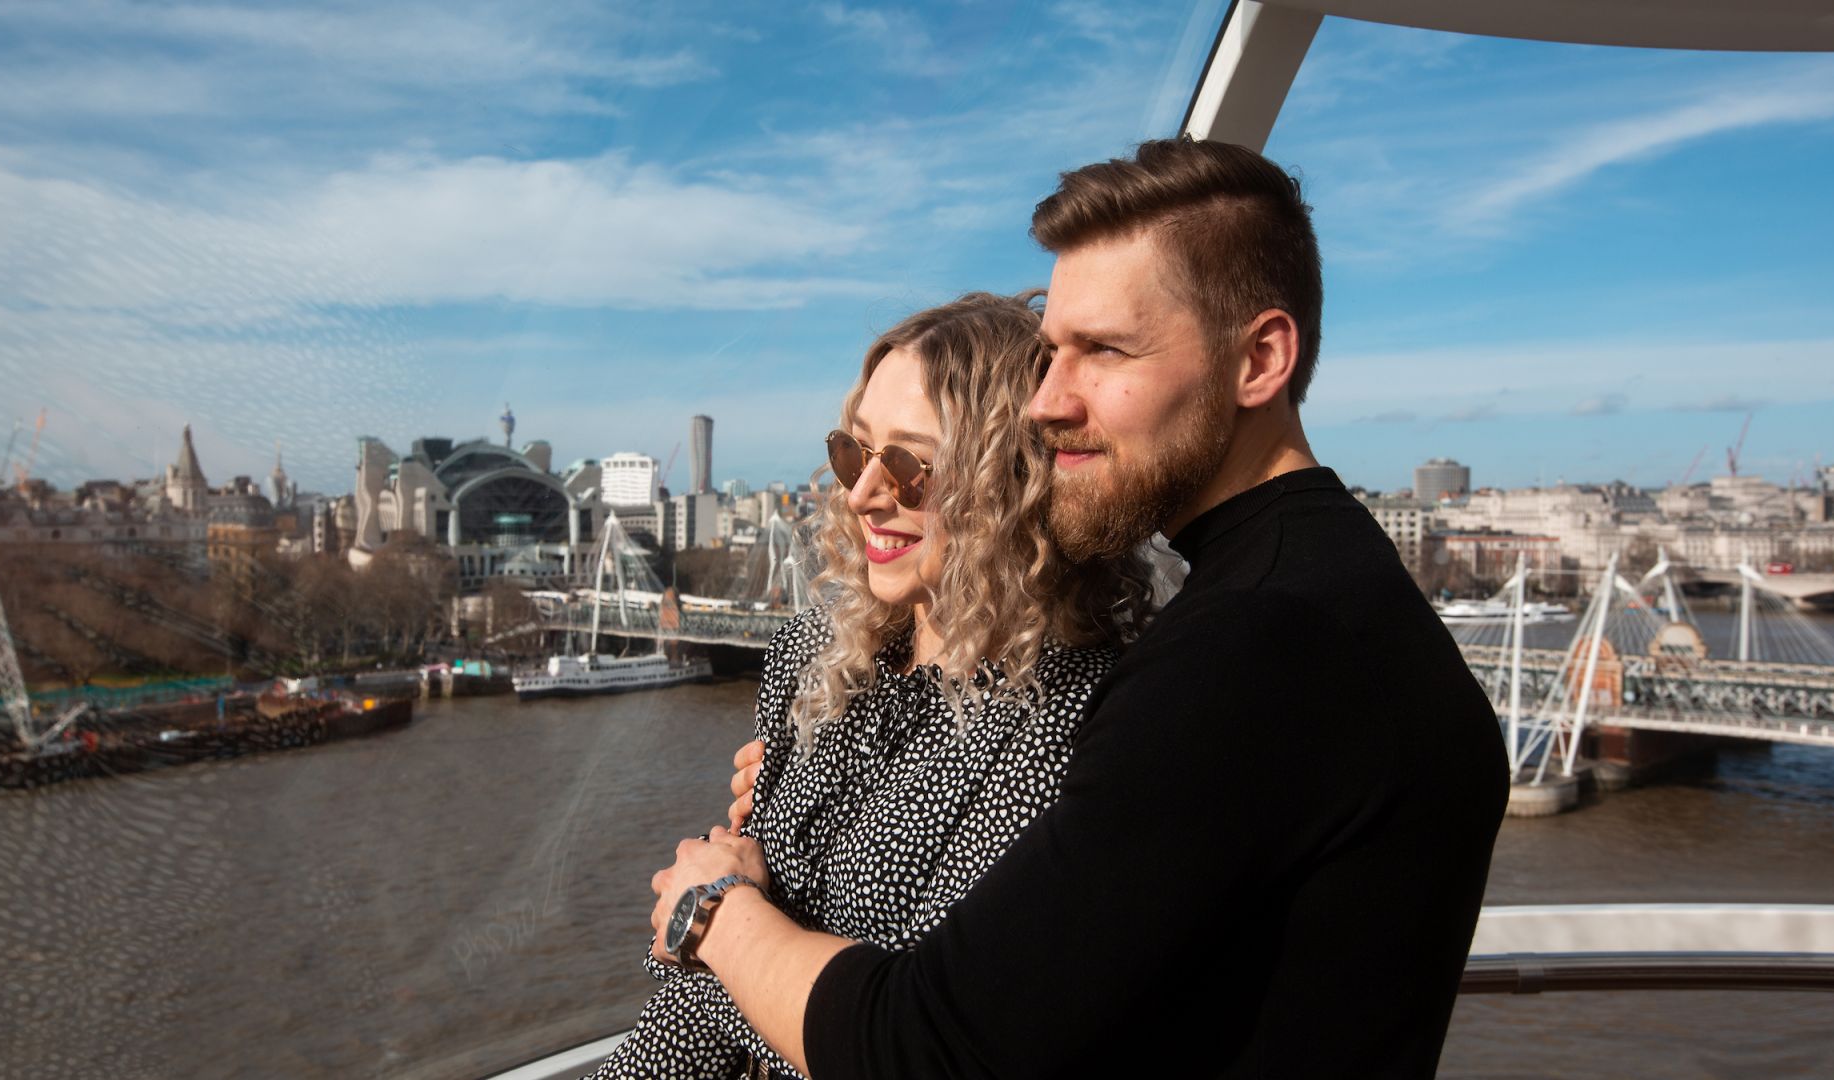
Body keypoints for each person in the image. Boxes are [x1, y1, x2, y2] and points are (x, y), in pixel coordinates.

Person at [649, 137, 1509, 1077]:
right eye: (1054, 351)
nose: (1046, 403)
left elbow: (933, 1052)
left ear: (1260, 359)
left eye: (1103, 350)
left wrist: (718, 913)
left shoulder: (1256, 646)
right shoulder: (1321, 588)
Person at [594, 292, 1155, 1078]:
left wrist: (714, 918)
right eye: (855, 453)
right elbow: (697, 982)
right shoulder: (815, 655)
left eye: (909, 467)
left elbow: (909, 1041)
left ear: (1013, 482)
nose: (861, 494)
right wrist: (715, 926)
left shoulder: (1069, 722)